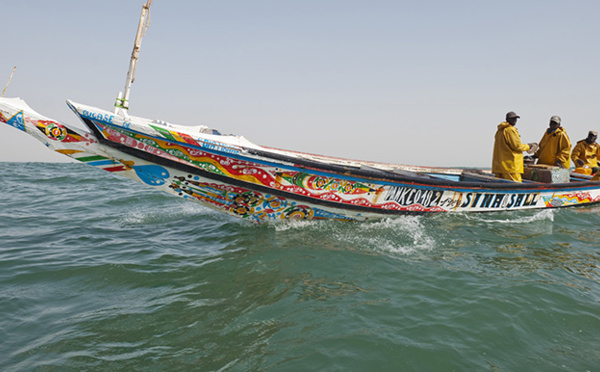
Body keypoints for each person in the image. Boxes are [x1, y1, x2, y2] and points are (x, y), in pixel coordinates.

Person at [492, 111, 538, 182]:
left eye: (515, 118)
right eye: (513, 119)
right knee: (516, 186)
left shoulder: (500, 131)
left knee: (501, 187)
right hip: (511, 166)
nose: (515, 120)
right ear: (508, 119)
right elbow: (517, 146)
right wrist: (529, 146)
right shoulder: (510, 130)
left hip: (500, 166)